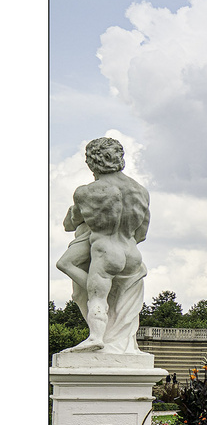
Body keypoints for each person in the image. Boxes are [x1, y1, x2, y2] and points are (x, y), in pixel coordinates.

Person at [56, 137, 151, 354]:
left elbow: (69, 225)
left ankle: (96, 337)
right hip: (131, 253)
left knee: (97, 296)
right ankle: (115, 339)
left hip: (106, 250)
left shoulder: (86, 192)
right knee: (117, 299)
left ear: (92, 162)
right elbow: (142, 233)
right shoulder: (141, 191)